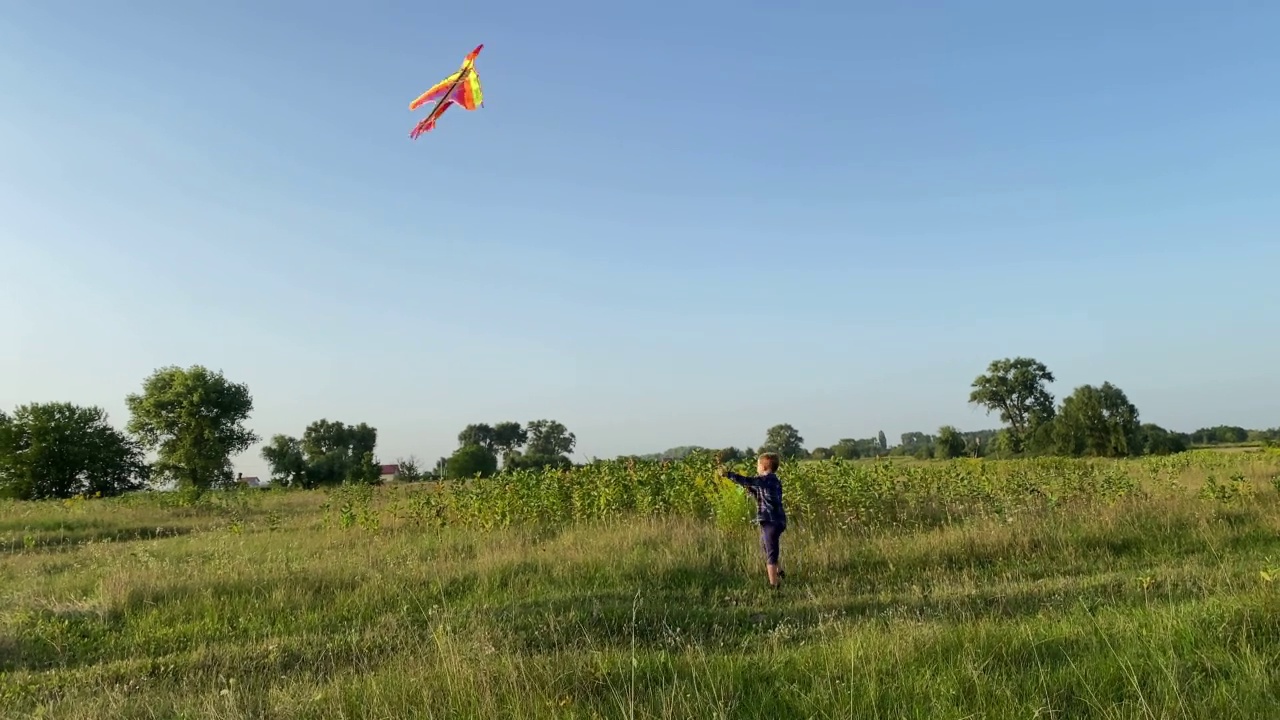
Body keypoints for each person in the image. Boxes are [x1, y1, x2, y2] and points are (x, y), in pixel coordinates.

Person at [722, 452, 787, 588]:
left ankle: (774, 585)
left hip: (771, 521)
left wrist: (728, 474)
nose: (756, 468)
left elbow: (748, 480)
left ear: (763, 467)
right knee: (765, 545)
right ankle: (779, 571)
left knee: (771, 552)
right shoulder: (774, 481)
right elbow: (760, 493)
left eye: (758, 465)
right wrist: (750, 490)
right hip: (778, 520)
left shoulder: (765, 480)